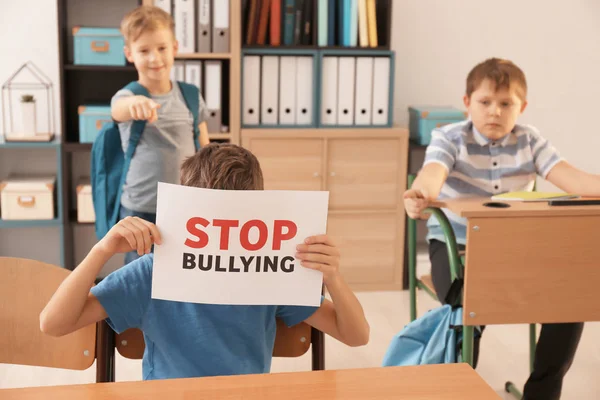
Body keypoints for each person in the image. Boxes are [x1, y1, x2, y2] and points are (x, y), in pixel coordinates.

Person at [40, 143, 370, 380]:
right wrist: (101, 251)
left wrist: (333, 280)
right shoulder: (153, 272)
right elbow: (53, 324)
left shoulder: (270, 271)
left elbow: (356, 336)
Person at [404, 57, 600, 400]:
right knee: (468, 298)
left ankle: (541, 393)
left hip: (517, 249)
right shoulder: (449, 137)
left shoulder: (530, 140)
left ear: (522, 107)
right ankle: (460, 388)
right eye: (485, 102)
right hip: (457, 246)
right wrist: (421, 194)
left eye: (506, 103)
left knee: (571, 300)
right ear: (467, 103)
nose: (494, 112)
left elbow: (573, 178)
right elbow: (432, 173)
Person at [111, 6, 210, 264]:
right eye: (144, 50)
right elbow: (117, 109)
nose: (155, 58)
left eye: (162, 48)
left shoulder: (190, 95)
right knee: (138, 279)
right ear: (129, 54)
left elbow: (204, 145)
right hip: (140, 209)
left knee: (180, 275)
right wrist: (134, 106)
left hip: (185, 206)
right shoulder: (128, 96)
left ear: (175, 48)